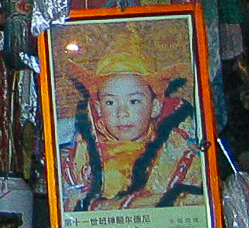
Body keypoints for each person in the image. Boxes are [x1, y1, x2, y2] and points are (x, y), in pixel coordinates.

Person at [58, 44, 206, 211]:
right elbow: (69, 206)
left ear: (155, 107)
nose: (122, 113)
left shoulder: (178, 150)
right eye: (110, 103)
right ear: (98, 109)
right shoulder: (80, 154)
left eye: (134, 101)